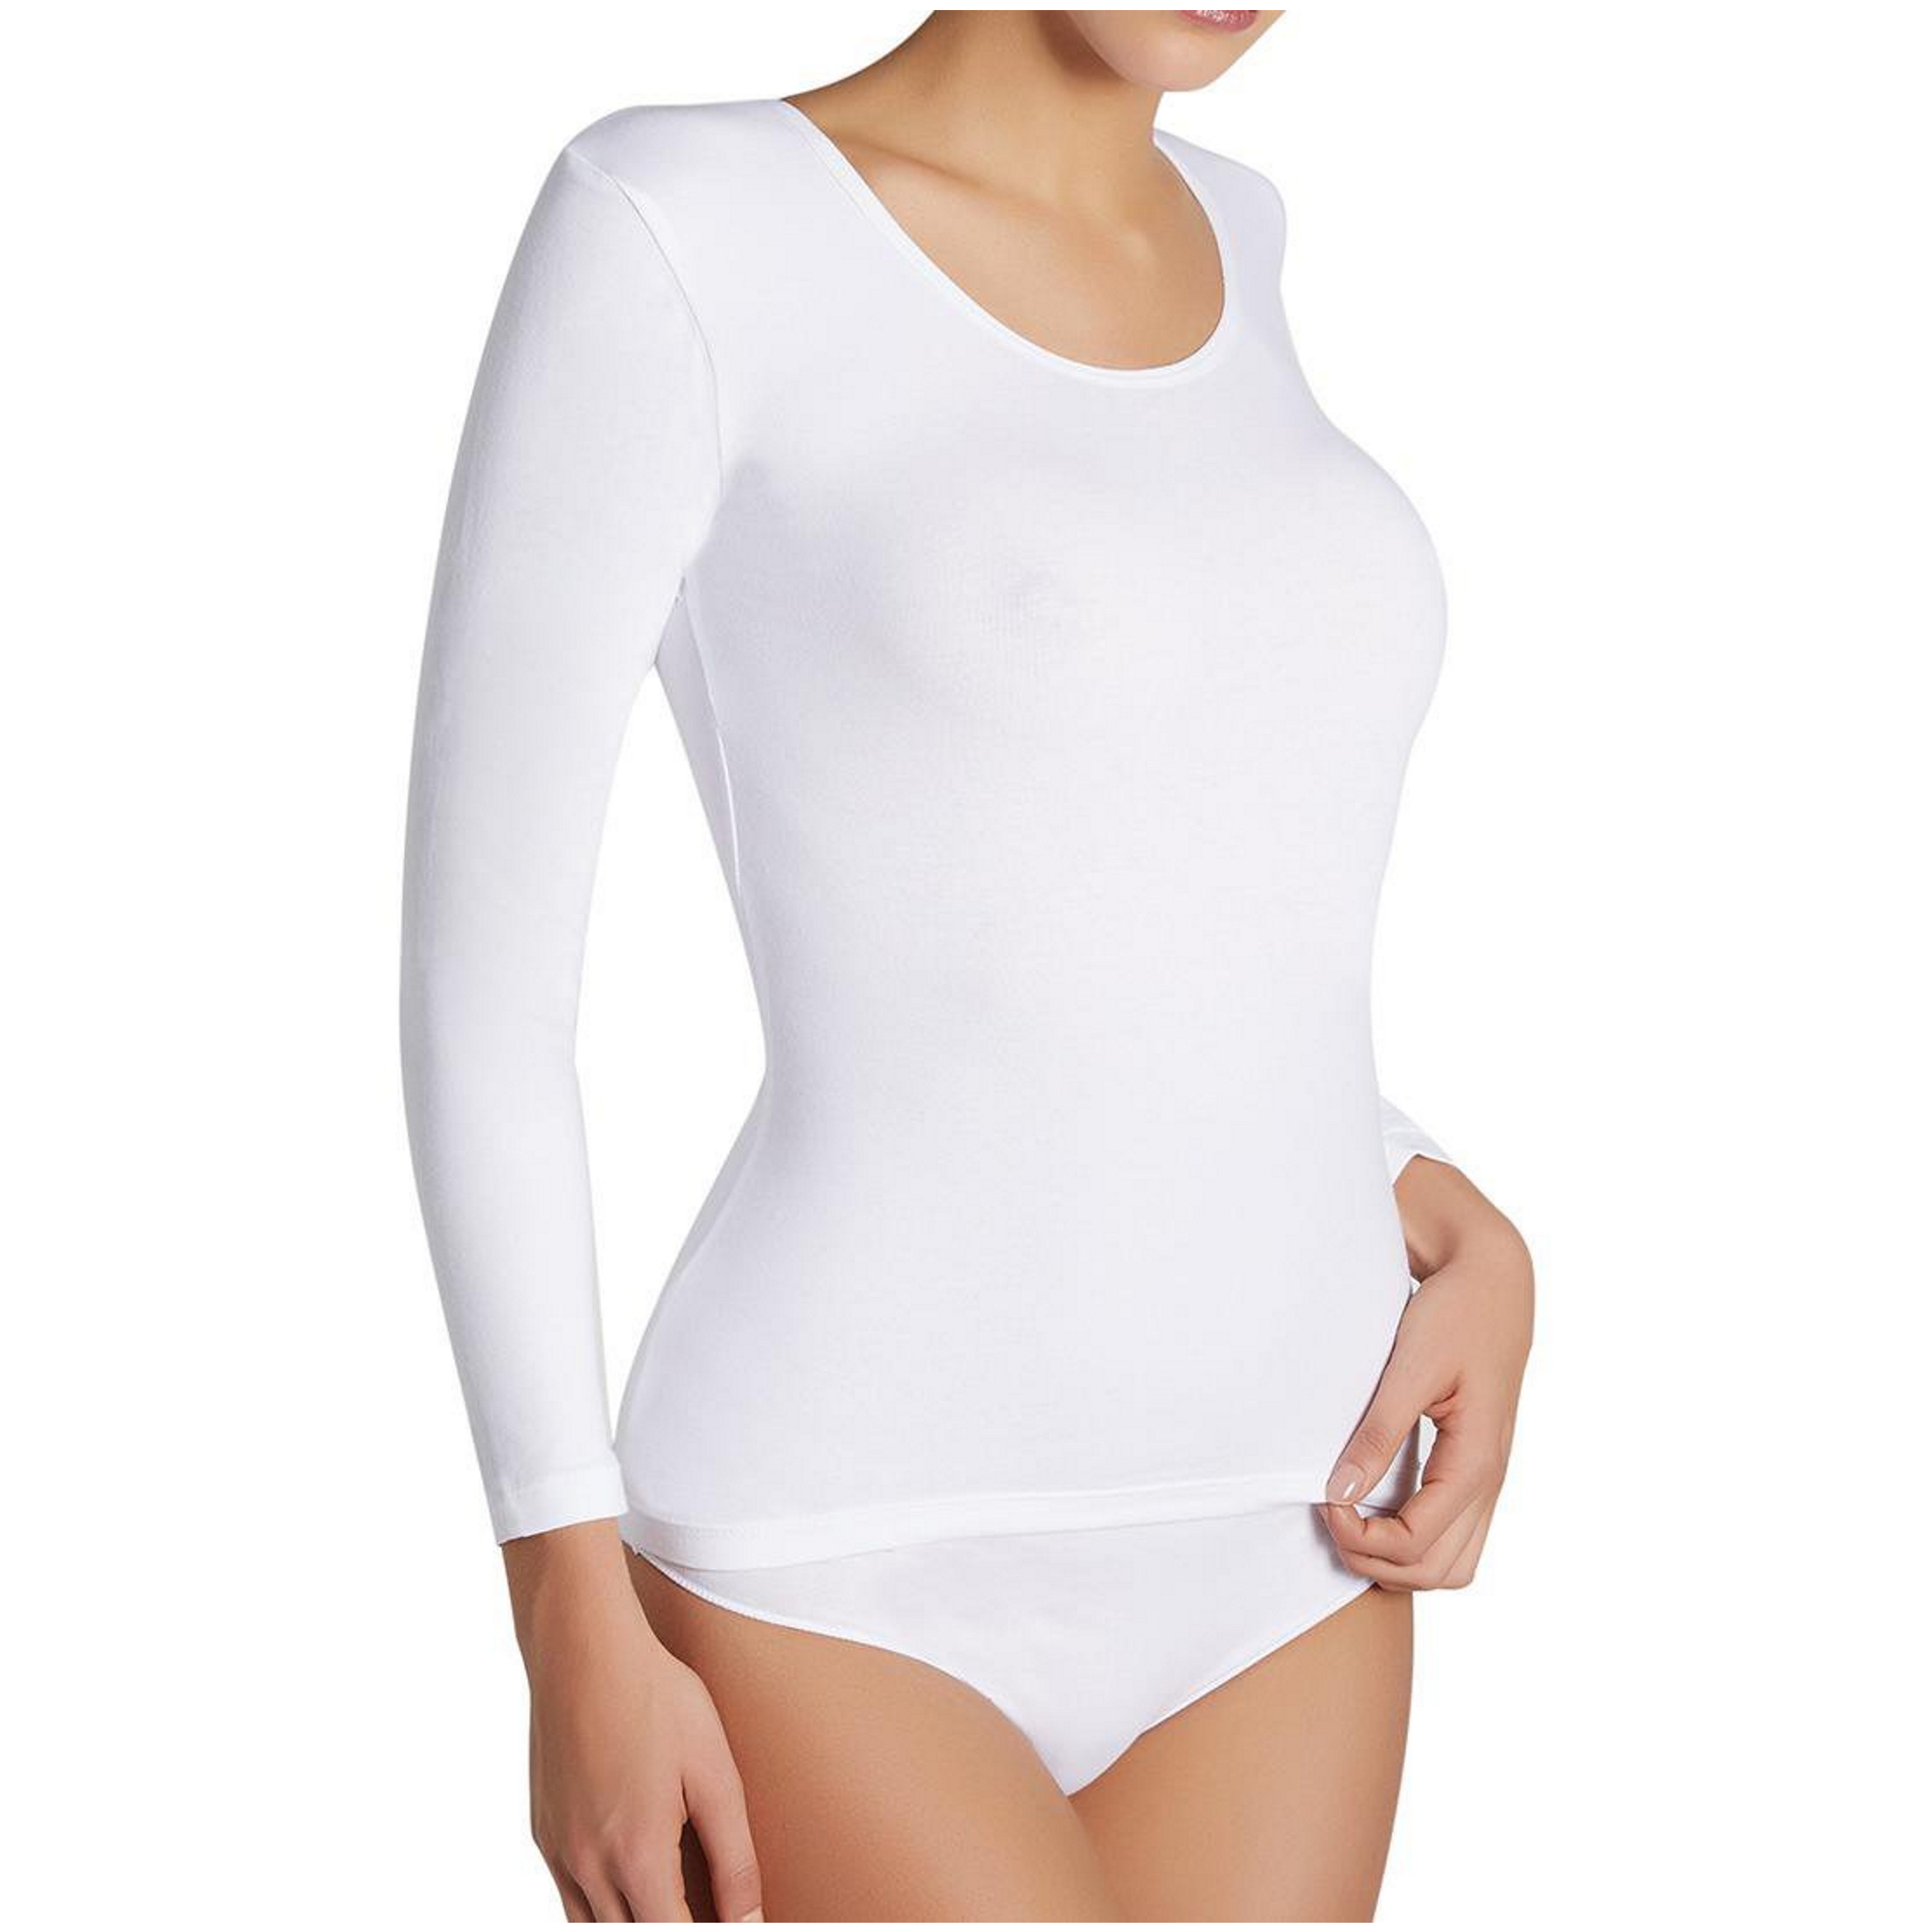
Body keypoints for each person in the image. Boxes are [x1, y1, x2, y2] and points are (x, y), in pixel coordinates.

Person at [401, 10, 1534, 1920]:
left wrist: (1433, 1194)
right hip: (840, 1546)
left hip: (1296, 1523)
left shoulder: (1243, 231)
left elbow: (1163, 857)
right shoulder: (680, 218)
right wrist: (561, 1599)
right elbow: (485, 988)